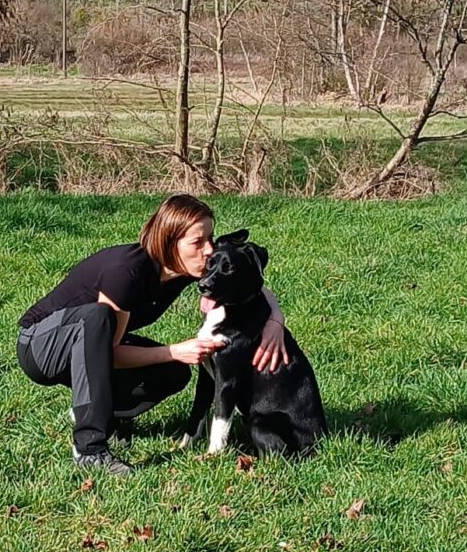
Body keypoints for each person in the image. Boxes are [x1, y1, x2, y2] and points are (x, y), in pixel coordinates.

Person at [16, 194, 289, 476]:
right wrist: (174, 351)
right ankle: (89, 448)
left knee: (174, 372)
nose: (208, 250)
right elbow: (110, 354)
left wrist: (275, 321)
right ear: (170, 243)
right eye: (197, 242)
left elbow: (251, 282)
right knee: (100, 317)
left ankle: (106, 415)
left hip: (91, 344)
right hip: (40, 347)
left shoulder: (186, 265)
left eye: (210, 238)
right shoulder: (126, 271)